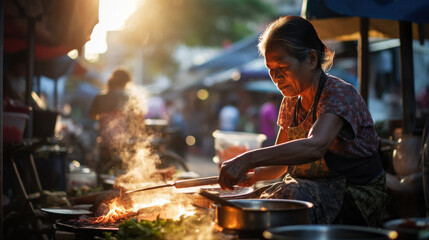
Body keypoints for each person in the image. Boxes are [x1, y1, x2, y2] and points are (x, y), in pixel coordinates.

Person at [218, 16, 387, 227]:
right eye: (271, 68)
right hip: (314, 189)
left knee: (288, 196)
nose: (276, 76)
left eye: (283, 66)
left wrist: (247, 160)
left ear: (311, 59)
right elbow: (280, 163)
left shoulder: (339, 94)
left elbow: (316, 145)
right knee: (253, 200)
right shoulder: (290, 101)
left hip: (356, 195)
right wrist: (254, 175)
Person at [89, 66, 133, 174]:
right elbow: (135, 118)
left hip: (104, 140)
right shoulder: (127, 96)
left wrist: (105, 117)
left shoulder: (100, 96)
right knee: (125, 171)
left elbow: (92, 115)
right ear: (125, 82)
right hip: (123, 142)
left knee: (104, 171)